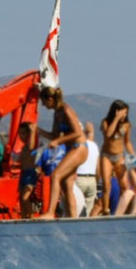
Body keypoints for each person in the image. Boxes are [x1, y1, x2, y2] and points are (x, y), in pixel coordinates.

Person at [37, 86, 87, 219]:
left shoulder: (66, 110)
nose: (43, 105)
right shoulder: (57, 113)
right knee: (66, 184)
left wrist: (58, 141)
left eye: (43, 101)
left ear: (50, 99)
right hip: (72, 149)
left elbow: (78, 133)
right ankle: (72, 217)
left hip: (79, 147)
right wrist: (39, 130)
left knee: (55, 175)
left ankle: (50, 212)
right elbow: (54, 135)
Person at [99, 100, 136, 215]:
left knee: (124, 184)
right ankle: (105, 210)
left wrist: (132, 154)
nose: (124, 115)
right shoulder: (105, 122)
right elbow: (108, 134)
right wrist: (116, 119)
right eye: (122, 113)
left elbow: (127, 142)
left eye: (126, 113)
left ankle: (124, 209)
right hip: (106, 156)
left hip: (119, 156)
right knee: (106, 184)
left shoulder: (126, 125)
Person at [15, 122, 40, 219]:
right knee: (21, 199)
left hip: (30, 174)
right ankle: (23, 217)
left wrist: (33, 131)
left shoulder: (30, 146)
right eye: (19, 133)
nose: (21, 136)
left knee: (25, 197)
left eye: (23, 133)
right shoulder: (23, 147)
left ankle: (31, 217)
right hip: (24, 173)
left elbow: (31, 147)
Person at [76, 122, 100, 216]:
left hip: (79, 178)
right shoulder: (94, 146)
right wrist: (96, 181)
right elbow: (98, 168)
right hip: (92, 180)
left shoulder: (77, 145)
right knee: (88, 211)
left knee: (77, 209)